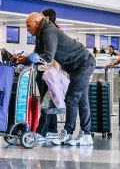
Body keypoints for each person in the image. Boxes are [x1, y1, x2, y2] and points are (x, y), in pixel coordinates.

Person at [13, 12, 96, 146]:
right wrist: (25, 60)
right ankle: (86, 134)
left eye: (28, 26)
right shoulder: (40, 34)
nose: (27, 29)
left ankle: (68, 133)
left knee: (71, 98)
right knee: (81, 100)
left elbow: (48, 57)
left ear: (36, 23)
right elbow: (37, 56)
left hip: (84, 64)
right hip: (76, 67)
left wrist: (30, 59)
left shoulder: (48, 31)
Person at [34, 8, 60, 141]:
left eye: (41, 16)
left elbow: (54, 55)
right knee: (49, 101)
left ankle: (42, 132)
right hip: (42, 70)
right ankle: (53, 129)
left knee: (46, 101)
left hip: (48, 72)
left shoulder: (52, 31)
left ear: (47, 18)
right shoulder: (43, 32)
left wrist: (53, 71)